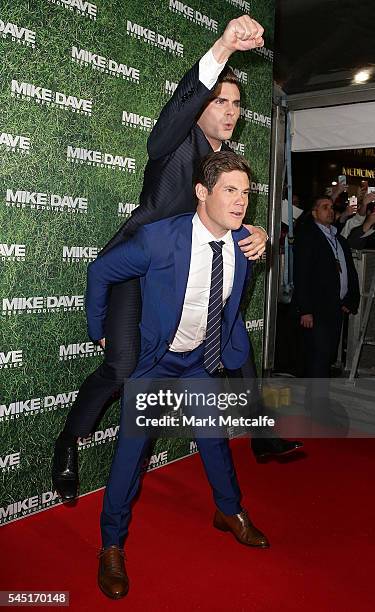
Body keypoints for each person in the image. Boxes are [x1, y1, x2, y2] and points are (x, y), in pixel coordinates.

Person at [52, 15, 300, 501]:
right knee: (123, 368)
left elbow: (225, 220)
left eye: (235, 105)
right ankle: (68, 440)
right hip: (138, 269)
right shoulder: (176, 143)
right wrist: (223, 49)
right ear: (201, 105)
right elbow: (166, 126)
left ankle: (261, 436)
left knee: (234, 343)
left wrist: (259, 231)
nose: (229, 112)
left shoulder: (227, 166)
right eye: (219, 101)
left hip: (186, 278)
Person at [87, 151, 270, 599]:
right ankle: (111, 543)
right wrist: (100, 332)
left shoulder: (245, 243)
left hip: (199, 362)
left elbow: (235, 292)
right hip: (156, 361)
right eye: (230, 190)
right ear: (202, 193)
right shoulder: (159, 240)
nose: (241, 201)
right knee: (131, 455)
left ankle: (229, 512)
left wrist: (262, 235)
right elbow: (100, 271)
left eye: (246, 192)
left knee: (214, 438)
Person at [293, 196, 360, 380]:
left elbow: (351, 273)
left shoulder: (339, 239)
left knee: (328, 356)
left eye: (331, 207)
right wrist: (305, 309)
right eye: (324, 207)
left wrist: (350, 300)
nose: (330, 210)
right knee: (319, 359)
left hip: (336, 309)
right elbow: (302, 275)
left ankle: (316, 401)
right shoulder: (308, 237)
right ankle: (318, 405)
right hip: (317, 310)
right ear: (314, 213)